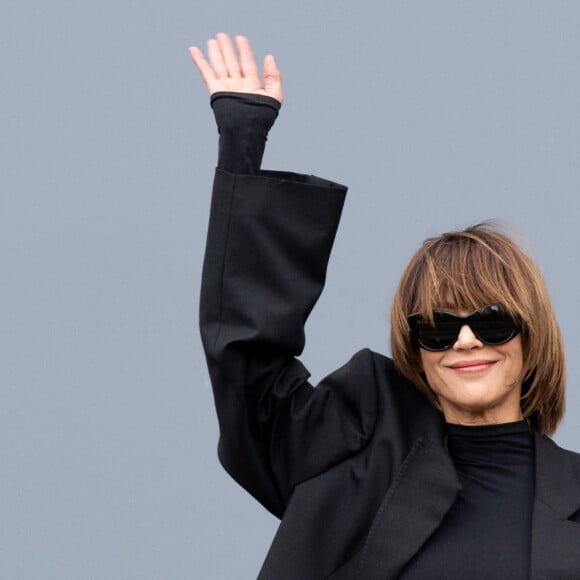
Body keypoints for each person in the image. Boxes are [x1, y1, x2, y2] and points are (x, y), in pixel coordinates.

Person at [190, 33, 580, 580]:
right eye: (438, 329)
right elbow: (247, 376)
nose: (466, 340)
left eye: (491, 322)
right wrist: (242, 140)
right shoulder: (359, 453)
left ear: (530, 334)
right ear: (415, 350)